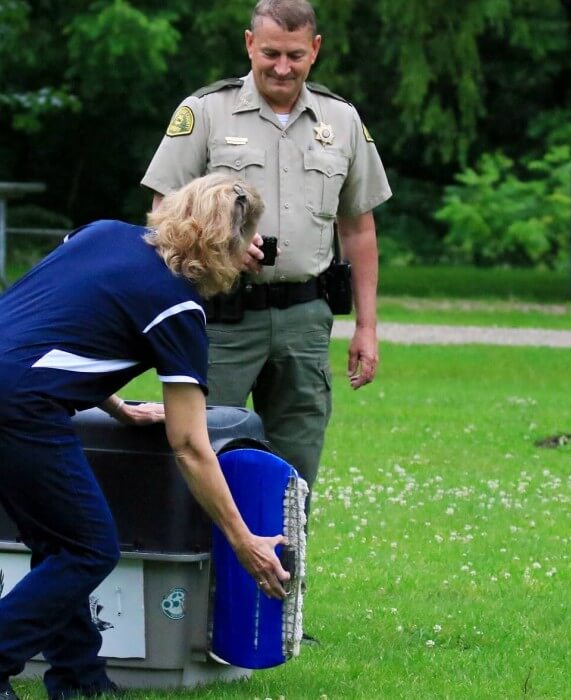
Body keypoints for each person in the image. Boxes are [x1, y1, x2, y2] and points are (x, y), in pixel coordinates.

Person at [0, 174, 289, 700]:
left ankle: (79, 679)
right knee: (89, 549)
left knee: (59, 543)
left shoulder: (101, 234)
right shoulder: (179, 307)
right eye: (245, 245)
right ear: (225, 247)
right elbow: (190, 445)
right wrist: (243, 540)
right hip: (14, 401)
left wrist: (116, 405)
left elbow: (62, 319)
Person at [141, 0, 392, 509]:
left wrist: (367, 325)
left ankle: (281, 586)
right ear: (250, 44)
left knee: (295, 480)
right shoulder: (207, 112)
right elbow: (162, 212)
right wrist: (224, 246)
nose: (282, 66)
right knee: (201, 459)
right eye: (271, 52)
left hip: (305, 320)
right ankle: (196, 587)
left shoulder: (341, 121)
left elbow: (359, 227)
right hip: (221, 320)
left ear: (315, 51)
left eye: (295, 55)